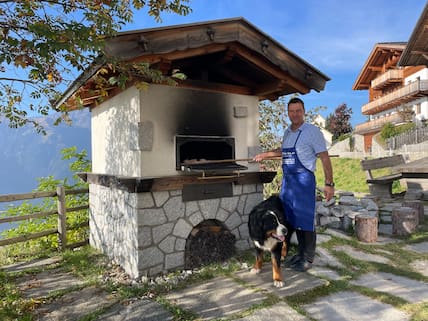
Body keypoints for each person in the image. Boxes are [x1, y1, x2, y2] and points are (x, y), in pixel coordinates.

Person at [253, 97, 334, 272]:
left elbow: (325, 158)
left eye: (298, 111)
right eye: (292, 111)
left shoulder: (312, 131)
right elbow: (283, 152)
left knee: (305, 219)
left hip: (304, 181)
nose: (295, 114)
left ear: (303, 111)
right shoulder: (288, 132)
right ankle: (299, 254)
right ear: (288, 113)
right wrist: (265, 154)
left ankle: (308, 258)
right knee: (290, 218)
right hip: (288, 182)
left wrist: (329, 184)